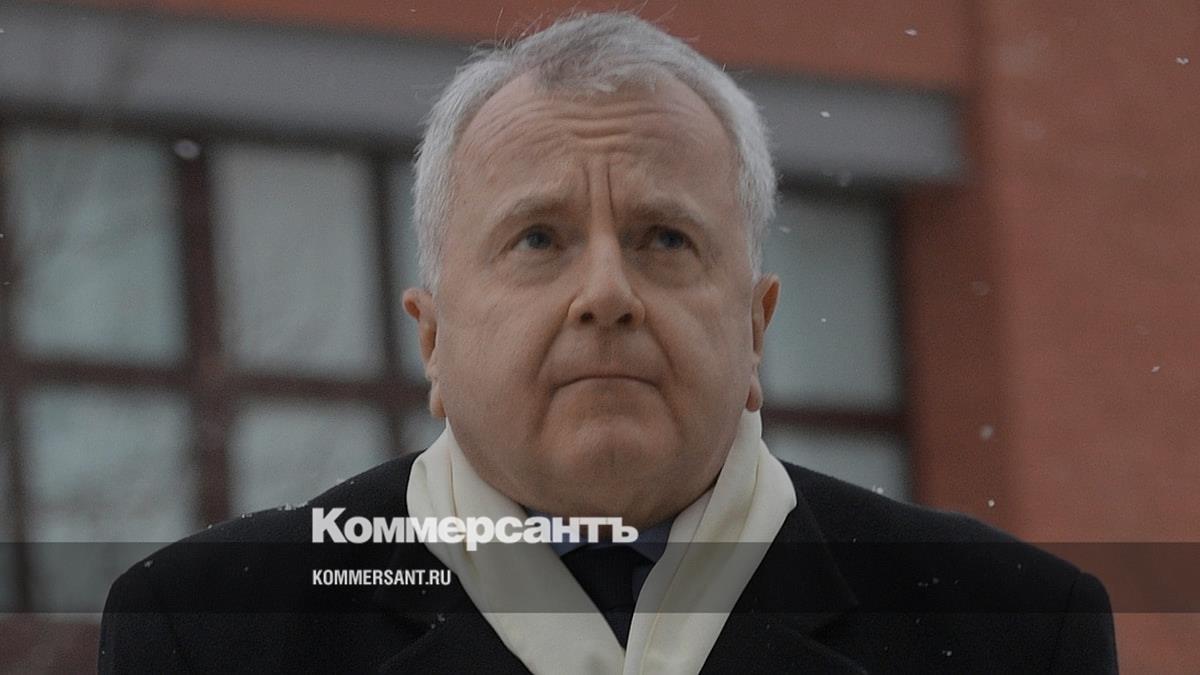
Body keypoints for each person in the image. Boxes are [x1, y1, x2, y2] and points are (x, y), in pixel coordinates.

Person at [100, 12, 1117, 673]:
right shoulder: (208, 632)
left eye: (663, 238)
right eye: (538, 239)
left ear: (755, 327)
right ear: (433, 338)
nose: (606, 295)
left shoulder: (1014, 630)